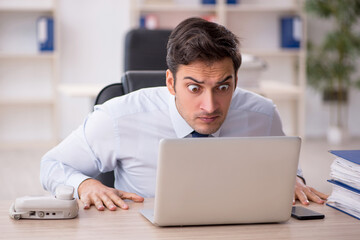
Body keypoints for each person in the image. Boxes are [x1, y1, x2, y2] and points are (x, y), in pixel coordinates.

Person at [40, 17, 328, 211]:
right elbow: (52, 165)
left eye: (223, 87)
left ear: (236, 82)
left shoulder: (262, 115)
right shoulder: (118, 118)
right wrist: (86, 184)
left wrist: (293, 180)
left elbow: (290, 169)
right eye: (194, 88)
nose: (210, 105)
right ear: (170, 83)